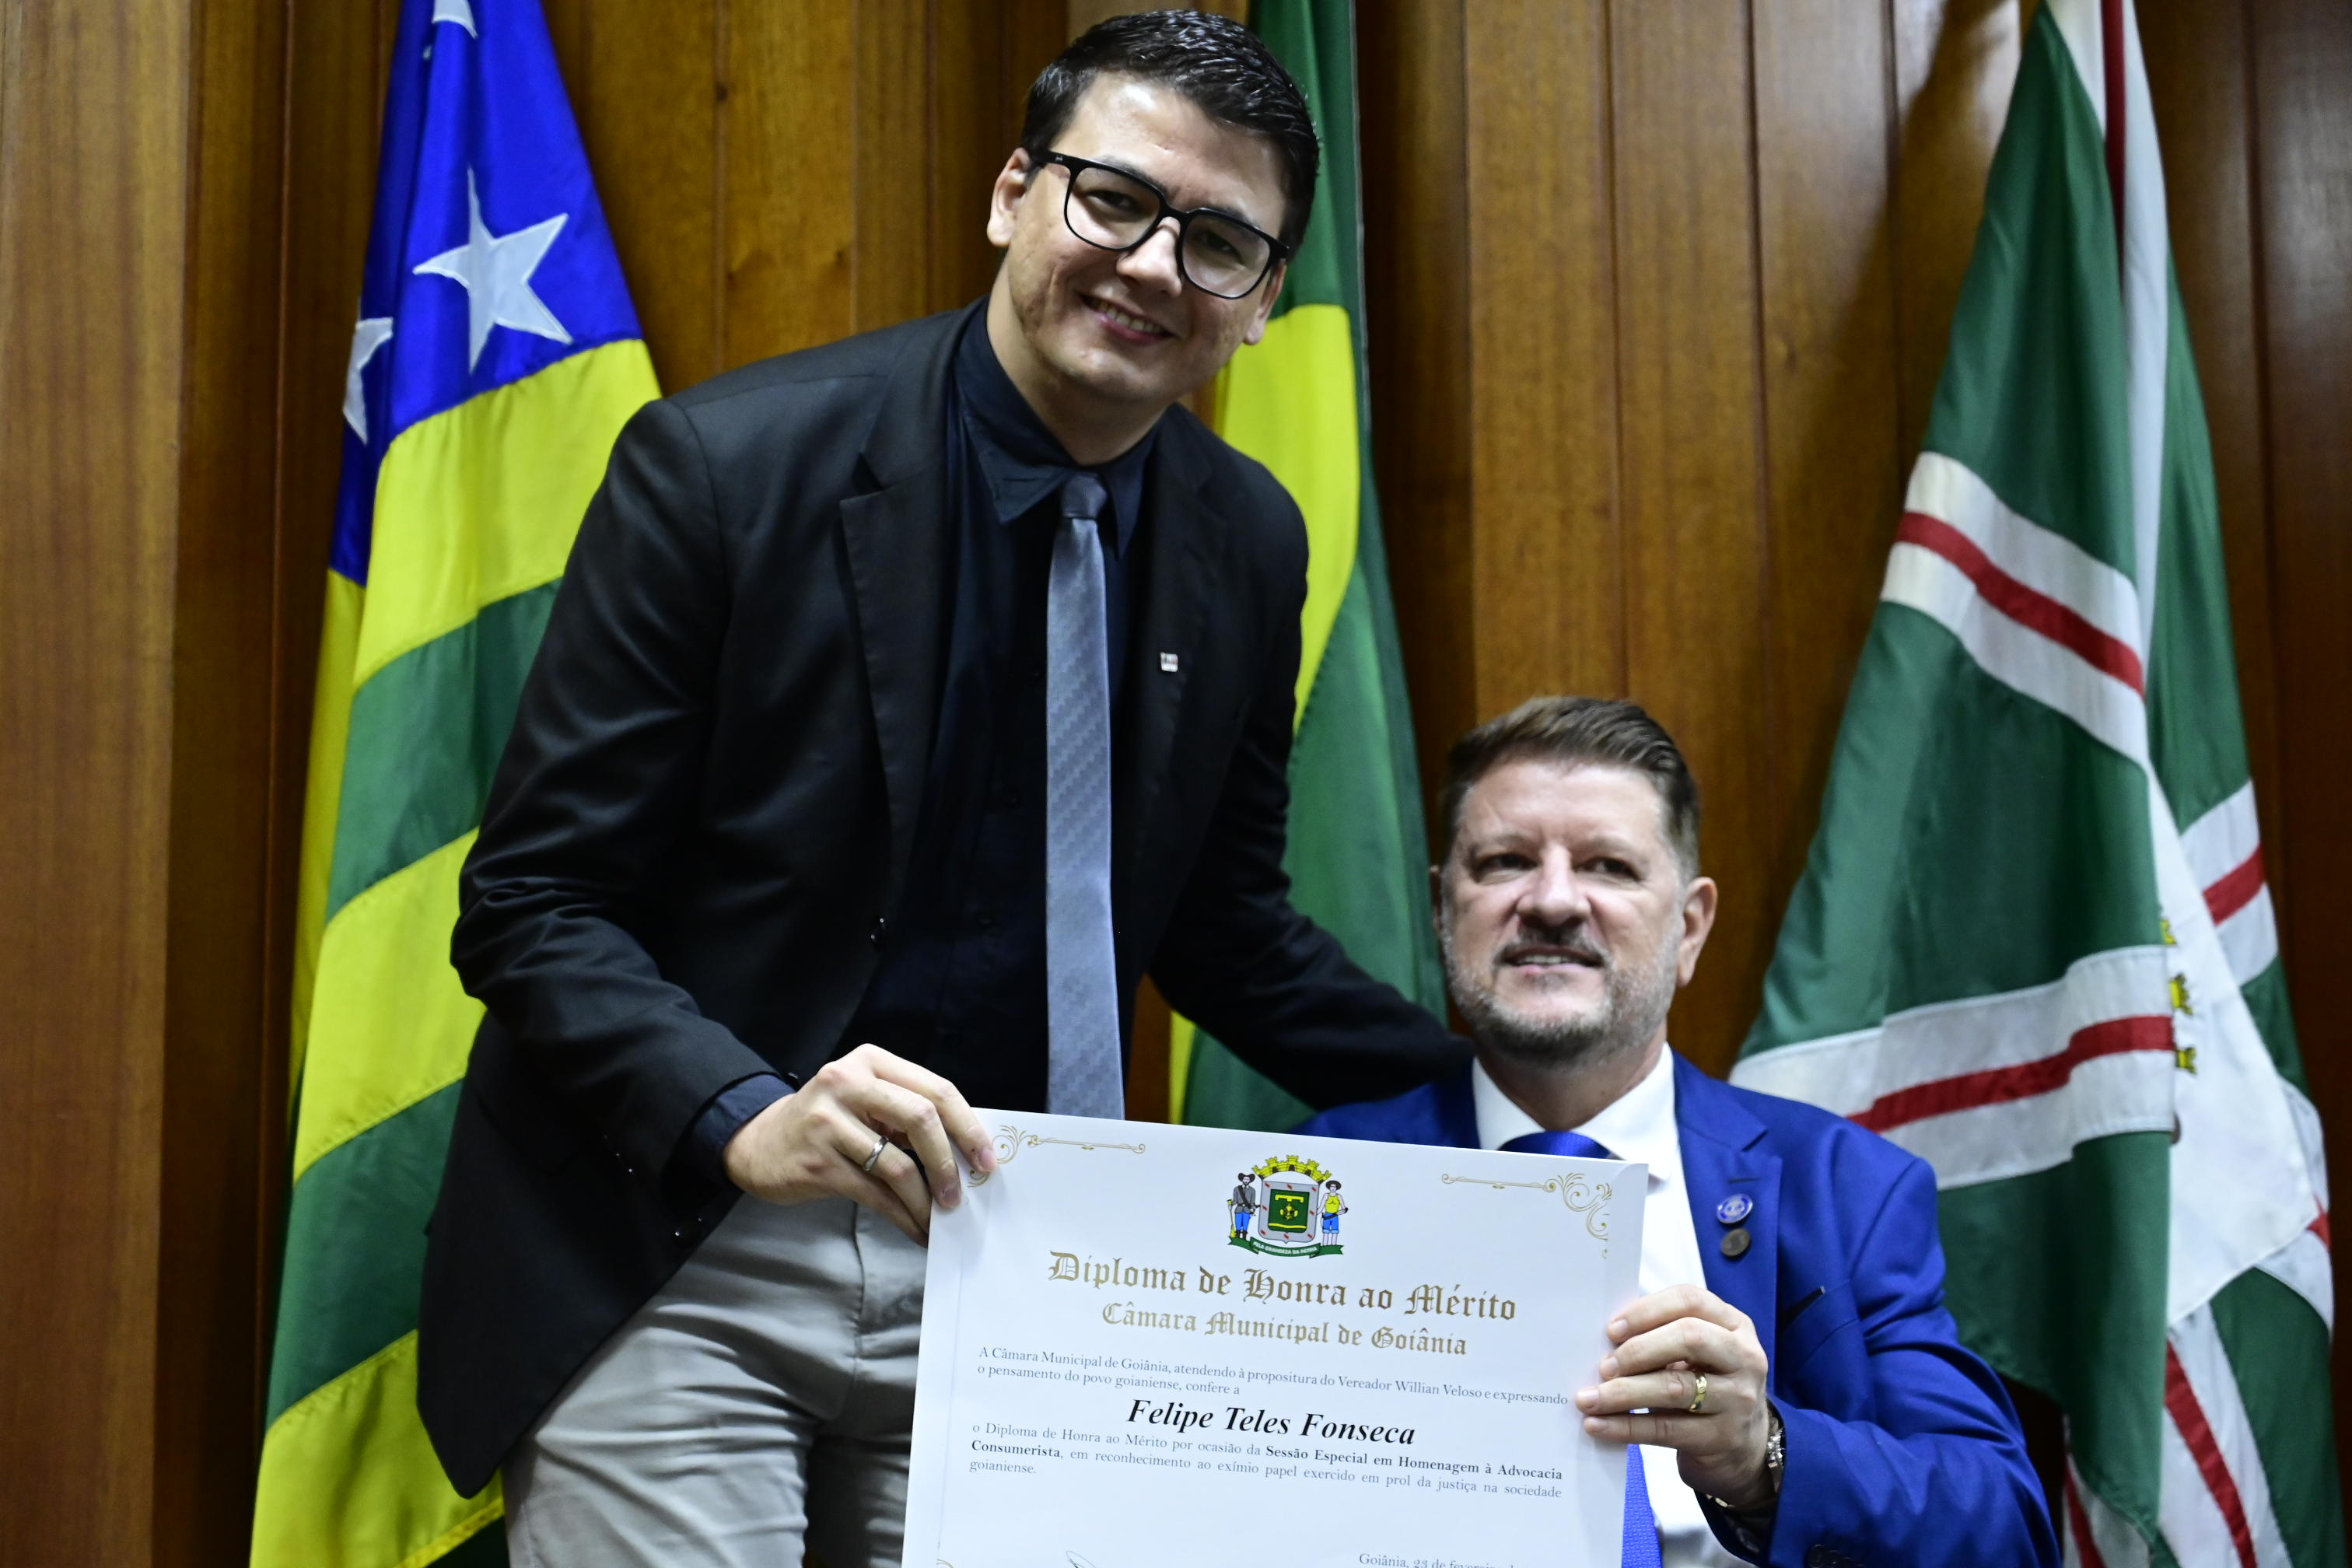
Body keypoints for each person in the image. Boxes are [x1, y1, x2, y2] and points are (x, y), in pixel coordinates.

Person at [415, 13, 1461, 1566]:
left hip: (1017, 1272)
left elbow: (1223, 927)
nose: (1154, 265)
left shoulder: (1247, 538)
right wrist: (743, 1118)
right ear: (1012, 194)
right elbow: (530, 904)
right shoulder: (721, 469)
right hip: (679, 1241)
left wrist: (1521, 1104)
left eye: (1218, 242)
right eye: (1115, 199)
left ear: (1260, 303)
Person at [1298, 698, 2056, 1568]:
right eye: (1506, 862)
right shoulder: (1326, 1179)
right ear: (1443, 909)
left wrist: (1765, 1457)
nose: (1552, 900)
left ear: (1689, 928)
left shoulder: (1844, 1187)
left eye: (1609, 866)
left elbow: (2002, 1525)